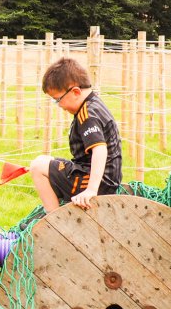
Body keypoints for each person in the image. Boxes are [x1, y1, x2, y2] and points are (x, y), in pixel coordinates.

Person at [29, 57, 123, 212]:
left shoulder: (87, 115)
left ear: (76, 92)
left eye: (58, 99)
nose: (58, 105)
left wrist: (91, 190)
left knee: (38, 166)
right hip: (103, 179)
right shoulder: (93, 105)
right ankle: (55, 216)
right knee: (48, 160)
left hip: (98, 183)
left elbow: (100, 149)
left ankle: (54, 221)